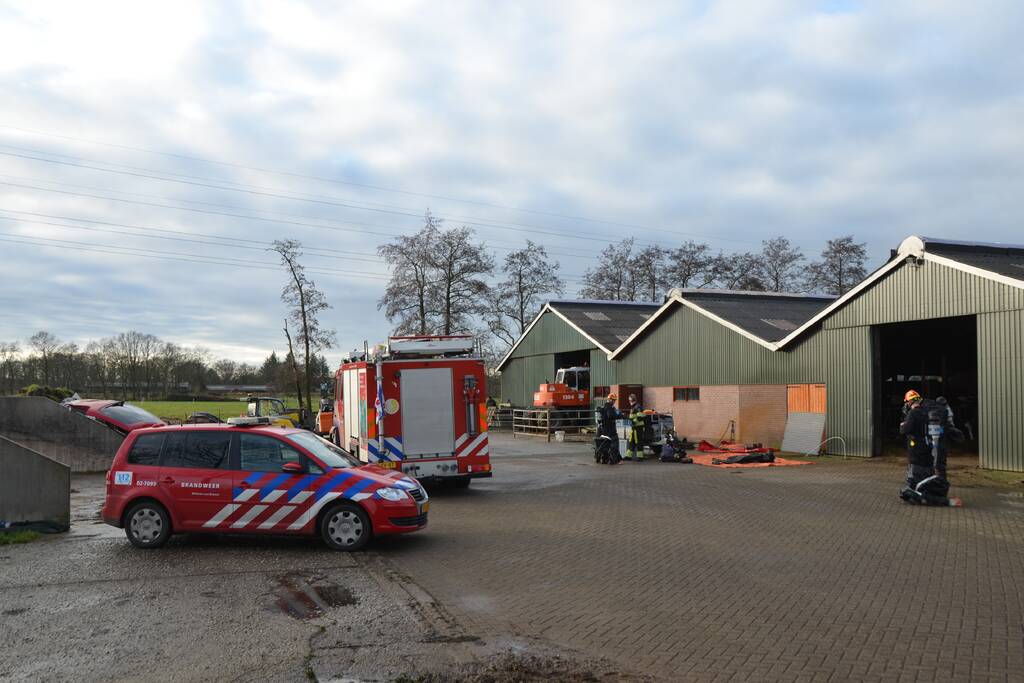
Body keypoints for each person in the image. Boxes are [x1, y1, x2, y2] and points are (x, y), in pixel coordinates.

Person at [899, 389, 962, 507]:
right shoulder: (929, 411)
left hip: (917, 453)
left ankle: (940, 498)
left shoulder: (914, 413)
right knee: (935, 470)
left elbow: (906, 429)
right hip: (931, 450)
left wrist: (903, 425)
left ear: (909, 402)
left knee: (910, 489)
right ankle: (939, 491)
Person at [595, 393, 621, 463]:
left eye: (614, 400)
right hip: (609, 430)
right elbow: (611, 416)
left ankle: (603, 457)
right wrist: (619, 415)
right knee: (614, 443)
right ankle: (614, 459)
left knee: (603, 444)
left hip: (601, 429)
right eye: (613, 400)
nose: (614, 402)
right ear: (610, 399)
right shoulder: (610, 407)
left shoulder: (603, 407)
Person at [625, 393, 645, 461]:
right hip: (634, 428)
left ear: (631, 400)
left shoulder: (637, 407)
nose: (629, 401)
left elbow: (641, 416)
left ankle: (640, 457)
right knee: (631, 441)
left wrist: (634, 421)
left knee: (638, 442)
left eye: (629, 400)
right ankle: (628, 456)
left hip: (638, 428)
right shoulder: (634, 406)